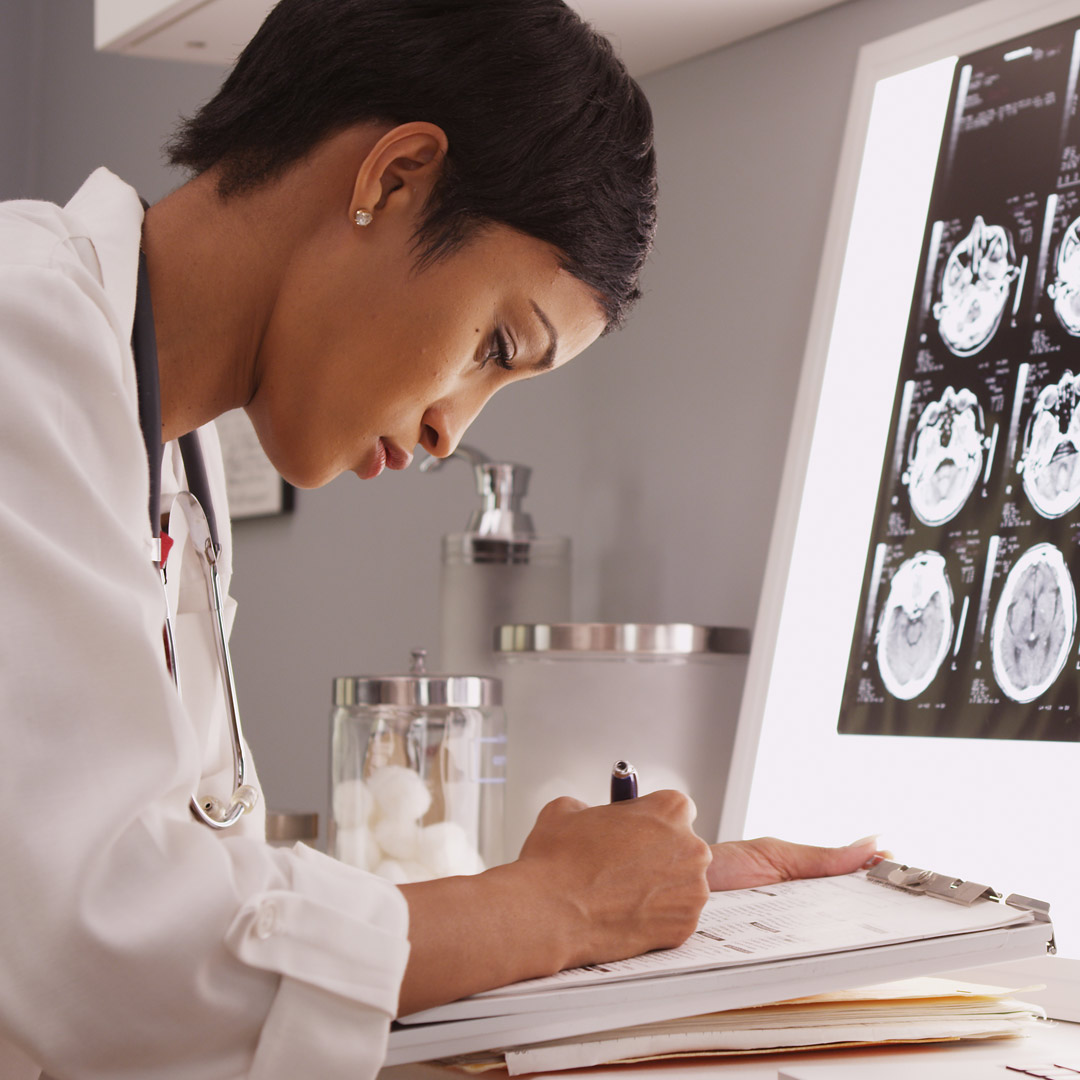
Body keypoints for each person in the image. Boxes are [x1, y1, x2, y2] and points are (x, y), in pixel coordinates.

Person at [0, 2, 884, 1077]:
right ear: (394, 178)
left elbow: (197, 933)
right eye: (497, 343)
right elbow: (98, 955)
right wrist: (553, 905)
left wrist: (642, 905)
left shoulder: (168, 464)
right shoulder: (21, 341)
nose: (447, 428)